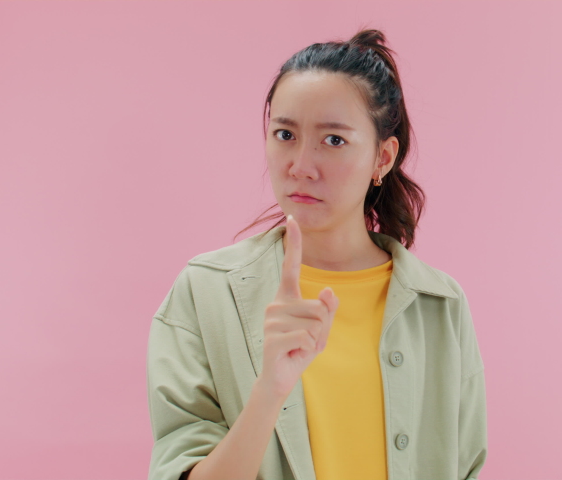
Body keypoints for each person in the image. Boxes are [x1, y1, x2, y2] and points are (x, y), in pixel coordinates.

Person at [147, 28, 487, 480]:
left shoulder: (440, 305)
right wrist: (271, 389)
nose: (300, 166)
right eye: (284, 133)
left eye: (334, 140)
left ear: (383, 158)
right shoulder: (206, 292)